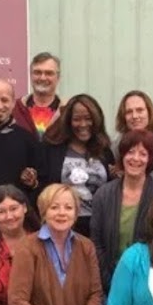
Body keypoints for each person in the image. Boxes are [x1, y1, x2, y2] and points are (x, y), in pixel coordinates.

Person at [91, 129, 153, 292]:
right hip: (108, 281)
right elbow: (96, 242)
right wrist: (111, 279)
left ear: (150, 159)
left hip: (149, 283)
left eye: (143, 154)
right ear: (122, 156)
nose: (135, 158)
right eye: (130, 152)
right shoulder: (103, 194)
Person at [41, 94, 114, 237]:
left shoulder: (105, 151)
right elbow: (43, 187)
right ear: (68, 121)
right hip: (62, 226)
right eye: (77, 119)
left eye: (88, 119)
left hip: (98, 228)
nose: (83, 124)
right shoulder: (51, 149)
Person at [113, 90, 153, 186]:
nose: (135, 116)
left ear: (149, 113)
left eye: (140, 110)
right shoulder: (114, 149)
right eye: (129, 112)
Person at [12, 52, 66, 137]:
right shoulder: (15, 108)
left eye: (49, 73)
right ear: (30, 75)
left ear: (58, 77)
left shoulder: (67, 110)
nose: (42, 78)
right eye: (37, 72)